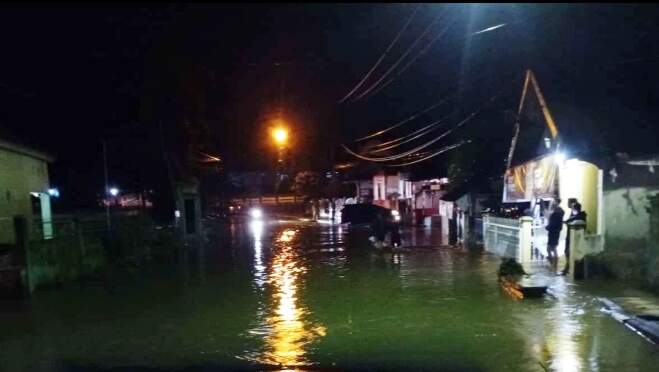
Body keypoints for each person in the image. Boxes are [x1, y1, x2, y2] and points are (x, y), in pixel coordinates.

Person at [563, 201, 587, 275]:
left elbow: (569, 222)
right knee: (567, 252)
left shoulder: (579, 216)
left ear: (575, 209)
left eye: (572, 208)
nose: (571, 209)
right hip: (570, 236)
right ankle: (567, 268)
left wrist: (567, 222)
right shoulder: (575, 216)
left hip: (575, 238)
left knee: (572, 253)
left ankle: (568, 268)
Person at [545, 198, 565, 268]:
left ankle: (554, 265)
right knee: (551, 248)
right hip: (553, 231)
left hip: (554, 232)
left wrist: (548, 227)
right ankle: (553, 264)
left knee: (552, 248)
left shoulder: (558, 211)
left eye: (553, 202)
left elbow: (554, 223)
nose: (552, 203)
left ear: (556, 202)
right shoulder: (557, 211)